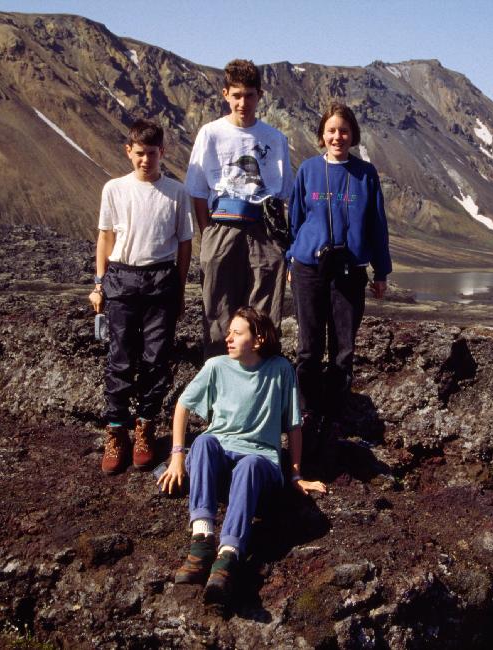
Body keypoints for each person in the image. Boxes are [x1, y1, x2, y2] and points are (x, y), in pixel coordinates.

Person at [157, 306, 326, 603]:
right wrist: (177, 456)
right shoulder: (216, 367)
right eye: (229, 333)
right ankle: (202, 539)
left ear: (258, 340)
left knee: (249, 464)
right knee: (204, 443)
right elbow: (182, 406)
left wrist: (296, 475)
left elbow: (294, 426)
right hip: (220, 456)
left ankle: (228, 557)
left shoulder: (280, 370)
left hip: (260, 463)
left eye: (237, 333)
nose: (229, 339)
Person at [286, 102, 392, 458]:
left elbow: (377, 224)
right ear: (321, 136)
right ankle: (305, 412)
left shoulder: (366, 174)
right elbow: (296, 219)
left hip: (349, 270)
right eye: (331, 131)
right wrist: (292, 256)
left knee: (343, 349)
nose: (337, 137)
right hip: (309, 268)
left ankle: (333, 415)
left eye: (344, 131)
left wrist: (382, 270)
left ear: (353, 136)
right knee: (309, 346)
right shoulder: (308, 170)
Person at [90, 118, 194, 475]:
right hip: (121, 278)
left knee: (155, 359)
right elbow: (105, 238)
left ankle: (145, 427)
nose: (145, 160)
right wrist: (99, 283)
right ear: (128, 151)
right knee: (119, 358)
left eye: (152, 153)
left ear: (162, 152)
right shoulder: (114, 189)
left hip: (161, 280)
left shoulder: (177, 192)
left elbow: (184, 244)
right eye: (139, 153)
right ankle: (116, 431)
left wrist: (179, 289)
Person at [185, 59, 293, 358]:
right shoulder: (211, 134)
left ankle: (261, 378)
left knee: (265, 308)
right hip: (222, 225)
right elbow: (197, 190)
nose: (242, 102)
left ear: (260, 95)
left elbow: (284, 193)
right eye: (236, 95)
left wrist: (282, 244)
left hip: (264, 230)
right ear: (225, 94)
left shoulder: (275, 138)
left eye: (249, 95)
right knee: (218, 306)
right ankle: (219, 376)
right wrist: (209, 235)